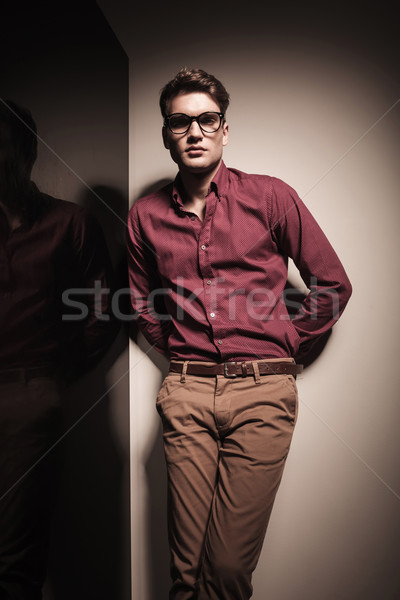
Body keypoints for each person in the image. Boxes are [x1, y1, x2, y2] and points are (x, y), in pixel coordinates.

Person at [127, 68, 352, 600]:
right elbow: (138, 303)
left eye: (207, 119)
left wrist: (285, 341)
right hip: (186, 394)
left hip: (262, 396)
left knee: (226, 571)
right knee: (185, 575)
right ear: (166, 134)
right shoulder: (144, 216)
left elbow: (332, 285)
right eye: (180, 122)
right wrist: (179, 356)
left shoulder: (271, 197)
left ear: (225, 130)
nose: (195, 131)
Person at [0, 100, 119, 599]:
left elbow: (103, 309)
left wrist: (57, 373)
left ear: (26, 152)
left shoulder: (70, 224)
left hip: (30, 399)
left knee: (14, 557)